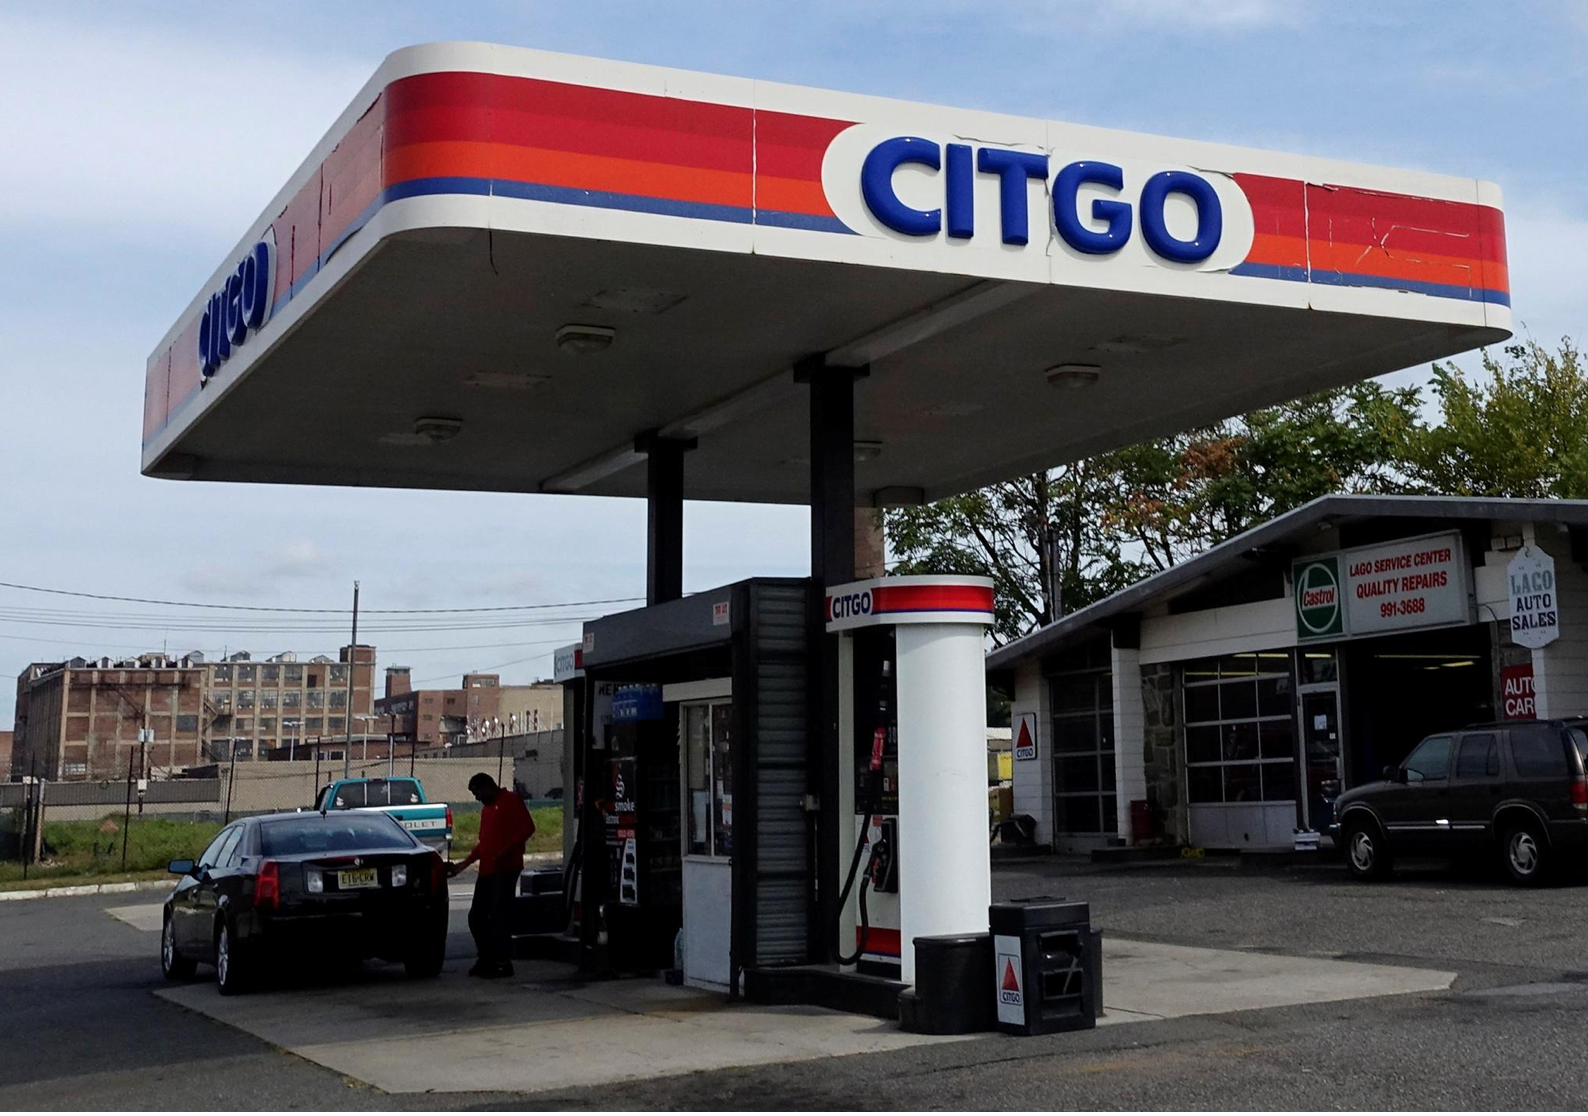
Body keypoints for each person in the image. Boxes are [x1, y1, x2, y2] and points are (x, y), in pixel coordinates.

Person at [448, 772, 535, 977]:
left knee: (498, 915)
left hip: (506, 869)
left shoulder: (511, 801)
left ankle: (502, 962)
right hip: (487, 870)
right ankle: (486, 958)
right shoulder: (486, 810)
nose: (477, 798)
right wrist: (464, 864)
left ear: (487, 787)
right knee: (477, 917)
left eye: (477, 792)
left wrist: (507, 850)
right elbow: (484, 844)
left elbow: (527, 828)